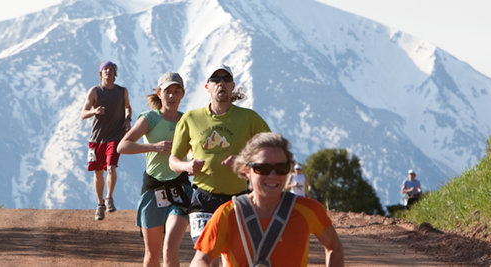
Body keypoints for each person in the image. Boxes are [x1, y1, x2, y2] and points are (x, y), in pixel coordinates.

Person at [191, 132, 344, 267]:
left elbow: (334, 246)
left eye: (281, 169)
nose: (272, 175)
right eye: (262, 168)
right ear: (247, 171)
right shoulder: (229, 214)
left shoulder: (308, 210)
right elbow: (201, 259)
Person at [168, 64, 270, 245]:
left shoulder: (250, 118)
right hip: (203, 198)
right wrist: (187, 166)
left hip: (239, 198)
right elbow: (173, 160)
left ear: (232, 85)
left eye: (226, 79)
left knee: (233, 257)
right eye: (215, 79)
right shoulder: (191, 118)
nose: (221, 83)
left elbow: (271, 154)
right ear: (207, 86)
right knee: (206, 254)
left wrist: (244, 162)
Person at [117, 72, 191, 267]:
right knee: (152, 254)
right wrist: (154, 147)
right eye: (168, 92)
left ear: (183, 94)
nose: (172, 96)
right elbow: (122, 147)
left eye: (176, 91)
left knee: (170, 249)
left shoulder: (187, 121)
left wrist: (192, 162)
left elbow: (194, 150)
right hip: (153, 190)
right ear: (159, 93)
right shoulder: (149, 119)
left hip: (180, 188)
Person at [81, 60, 132, 220]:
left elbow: (127, 107)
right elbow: (83, 113)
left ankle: (109, 197)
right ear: (101, 73)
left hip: (115, 136)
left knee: (111, 167)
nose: (109, 72)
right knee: (98, 172)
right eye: (106, 70)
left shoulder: (122, 91)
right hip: (97, 138)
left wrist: (128, 118)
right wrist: (94, 111)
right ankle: (100, 203)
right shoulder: (95, 91)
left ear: (115, 73)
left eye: (111, 70)